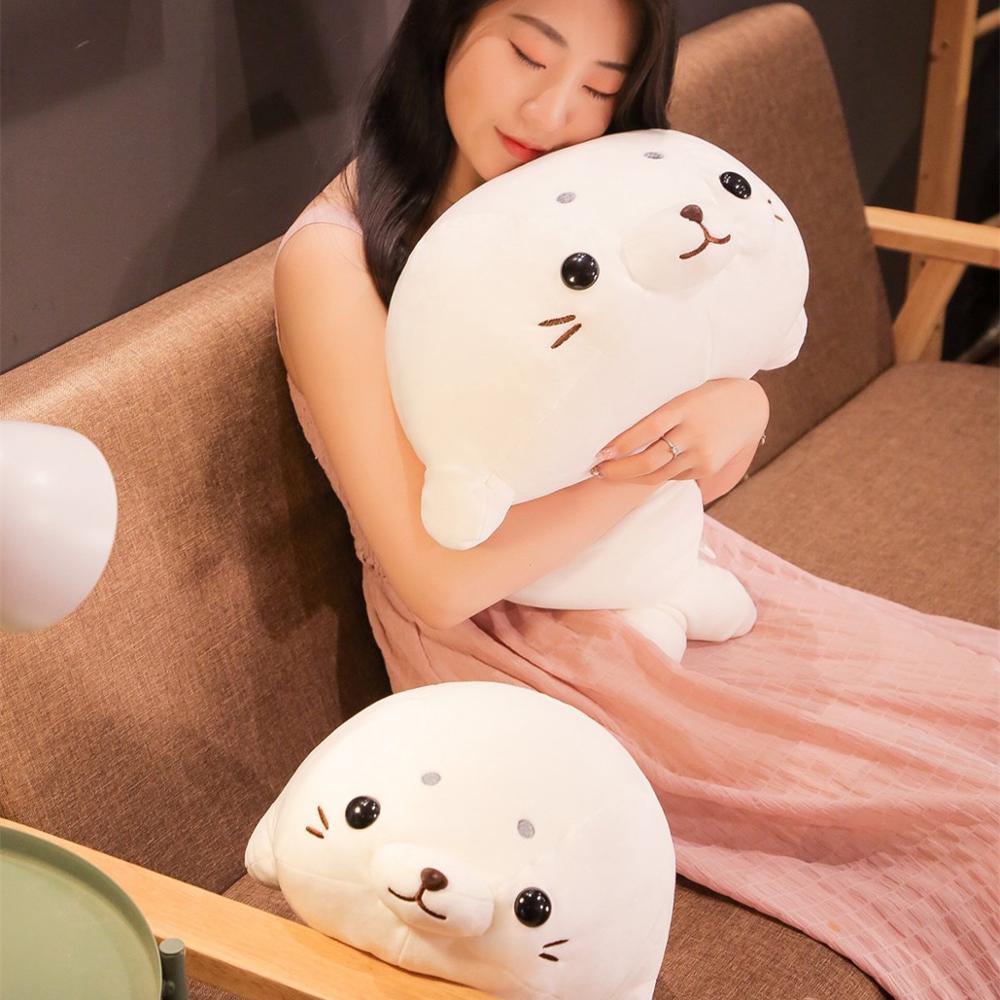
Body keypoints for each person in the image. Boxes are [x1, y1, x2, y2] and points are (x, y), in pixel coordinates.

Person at [272, 3, 999, 998]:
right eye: (527, 53)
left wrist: (740, 406)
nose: (553, 110)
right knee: (960, 830)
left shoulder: (588, 183)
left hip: (664, 569)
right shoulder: (334, 258)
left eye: (600, 87)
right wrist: (665, 461)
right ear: (444, 27)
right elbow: (440, 581)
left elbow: (701, 428)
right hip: (512, 646)